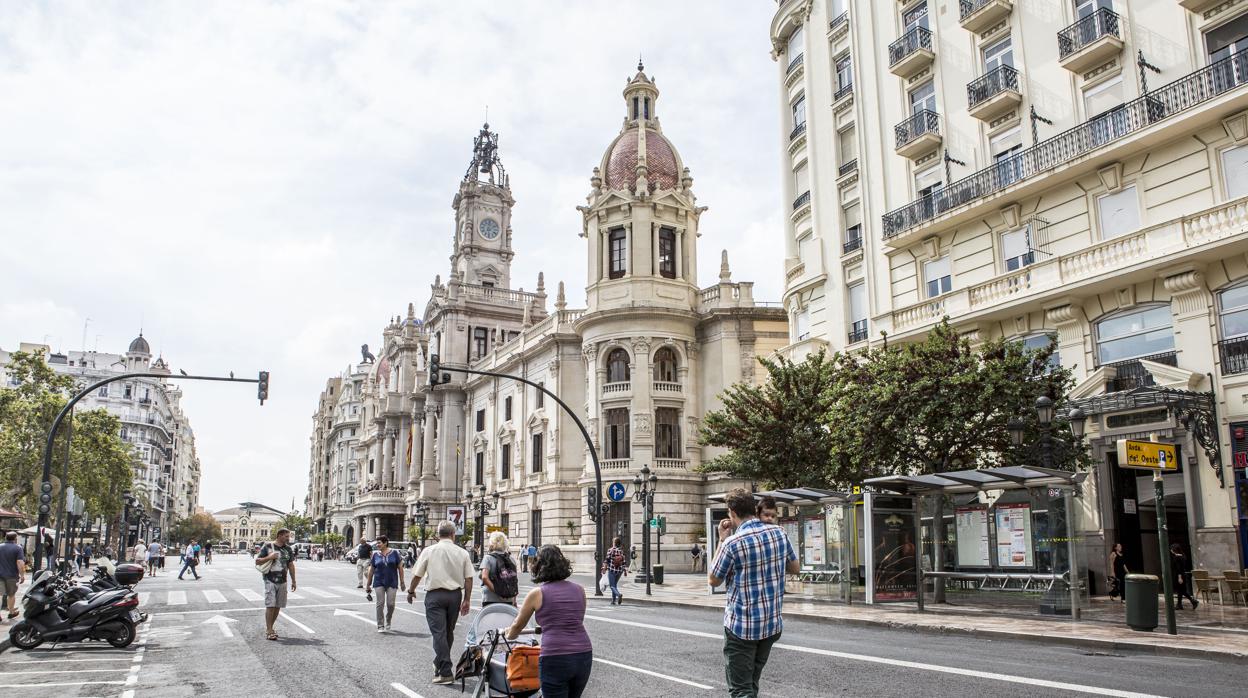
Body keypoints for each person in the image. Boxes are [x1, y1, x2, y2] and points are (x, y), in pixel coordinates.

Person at [709, 488, 799, 698]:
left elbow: (713, 579)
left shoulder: (732, 543)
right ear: (753, 508)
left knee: (741, 689)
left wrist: (722, 539)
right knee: (751, 682)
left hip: (742, 628)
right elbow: (795, 568)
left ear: (732, 511)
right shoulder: (779, 533)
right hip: (771, 625)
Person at [506, 545, 592, 698]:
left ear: (539, 566)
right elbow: (576, 619)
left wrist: (509, 634)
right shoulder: (580, 590)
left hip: (555, 656)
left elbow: (518, 625)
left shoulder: (537, 594)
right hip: (583, 654)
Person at [406, 521, 474, 685]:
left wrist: (411, 591)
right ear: (453, 534)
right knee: (447, 632)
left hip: (435, 596)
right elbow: (469, 578)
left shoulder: (429, 550)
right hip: (455, 595)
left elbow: (417, 575)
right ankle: (439, 663)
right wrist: (467, 599)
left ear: (438, 535)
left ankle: (445, 671)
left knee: (439, 633)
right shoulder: (462, 552)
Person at [256, 528, 297, 640]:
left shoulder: (288, 549)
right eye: (286, 536)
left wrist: (293, 580)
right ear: (279, 535)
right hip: (270, 579)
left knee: (278, 605)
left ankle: (271, 627)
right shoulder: (268, 546)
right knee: (271, 605)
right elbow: (257, 561)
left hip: (283, 581)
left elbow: (291, 565)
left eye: (289, 536)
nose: (288, 538)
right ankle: (269, 630)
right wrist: (270, 557)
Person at [367, 535, 404, 633]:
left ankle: (388, 620)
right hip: (379, 581)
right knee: (380, 603)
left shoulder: (395, 553)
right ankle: (380, 625)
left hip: (392, 581)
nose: (377, 545)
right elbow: (371, 570)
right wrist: (368, 584)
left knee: (390, 604)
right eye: (377, 543)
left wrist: (402, 582)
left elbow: (400, 568)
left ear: (385, 543)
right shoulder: (375, 555)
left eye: (379, 543)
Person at [480, 531, 518, 608]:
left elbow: (484, 577)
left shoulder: (488, 558)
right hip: (508, 599)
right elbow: (514, 581)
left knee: (490, 619)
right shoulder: (511, 559)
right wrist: (514, 599)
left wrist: (498, 591)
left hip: (490, 598)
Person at [1, 531, 27, 622]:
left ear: (5, 538)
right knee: (11, 595)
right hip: (12, 576)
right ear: (15, 539)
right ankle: (11, 612)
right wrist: (22, 575)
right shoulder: (18, 548)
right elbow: (20, 563)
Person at [1170, 543, 1199, 610]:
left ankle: (1193, 601)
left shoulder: (1177, 557)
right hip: (1183, 574)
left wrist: (1179, 577)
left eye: (1171, 549)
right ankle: (1179, 604)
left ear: (1174, 550)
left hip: (1179, 575)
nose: (1170, 550)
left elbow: (1179, 568)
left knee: (1182, 591)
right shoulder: (1183, 556)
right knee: (1180, 590)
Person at [604, 536, 628, 605]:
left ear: (614, 543)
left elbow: (607, 560)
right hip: (619, 571)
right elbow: (624, 562)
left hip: (612, 570)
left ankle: (618, 595)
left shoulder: (610, 550)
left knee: (612, 586)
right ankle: (613, 600)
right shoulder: (621, 551)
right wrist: (624, 570)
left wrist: (604, 568)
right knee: (614, 585)